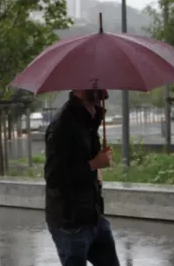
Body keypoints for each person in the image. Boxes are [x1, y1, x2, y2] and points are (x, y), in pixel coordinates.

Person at [44, 89, 120, 266]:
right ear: (79, 87)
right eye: (98, 83)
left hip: (94, 217)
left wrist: (99, 160)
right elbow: (54, 177)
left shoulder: (89, 119)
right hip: (71, 223)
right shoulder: (63, 125)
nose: (105, 88)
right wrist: (94, 164)